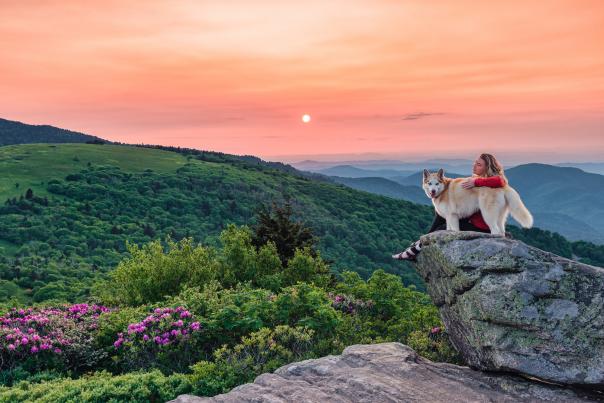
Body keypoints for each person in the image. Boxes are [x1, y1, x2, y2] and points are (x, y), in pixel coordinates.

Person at [392, 153, 511, 261]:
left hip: (480, 227)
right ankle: (420, 243)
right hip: (470, 219)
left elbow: (500, 181)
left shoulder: (489, 181)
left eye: (478, 164)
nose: (474, 166)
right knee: (440, 217)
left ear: (487, 167)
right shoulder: (477, 180)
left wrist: (476, 183)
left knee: (441, 227)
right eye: (475, 163)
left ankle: (416, 248)